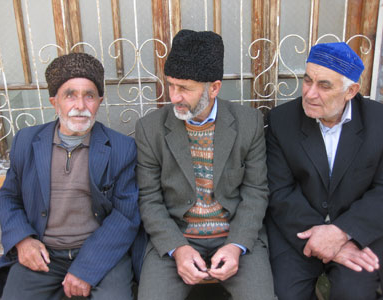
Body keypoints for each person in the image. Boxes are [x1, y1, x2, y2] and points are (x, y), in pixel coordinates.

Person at [0, 52, 146, 299]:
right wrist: (23, 241)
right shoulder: (27, 141)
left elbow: (126, 215)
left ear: (100, 100)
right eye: (70, 95)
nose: (80, 106)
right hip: (44, 253)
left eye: (89, 96)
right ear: (54, 101)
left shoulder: (120, 148)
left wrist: (86, 268)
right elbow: (9, 197)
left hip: (100, 254)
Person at [135, 29, 275, 300]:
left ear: (214, 88)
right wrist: (177, 248)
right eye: (171, 85)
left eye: (184, 88)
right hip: (176, 236)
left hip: (235, 235)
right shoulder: (150, 129)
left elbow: (256, 192)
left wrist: (237, 245)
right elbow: (149, 199)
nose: (174, 96)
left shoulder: (248, 124)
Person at [266, 42, 383, 300]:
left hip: (356, 232)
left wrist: (341, 233)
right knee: (285, 294)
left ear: (351, 91)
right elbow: (279, 191)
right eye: (307, 80)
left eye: (324, 85)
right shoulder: (281, 121)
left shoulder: (378, 122)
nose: (309, 93)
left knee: (353, 293)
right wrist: (325, 242)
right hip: (298, 231)